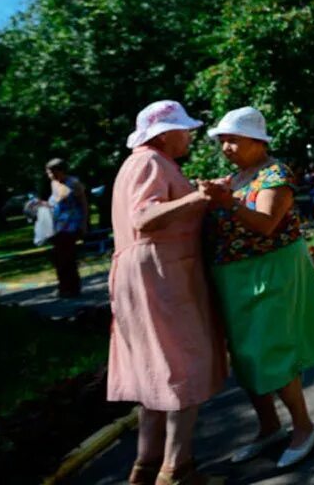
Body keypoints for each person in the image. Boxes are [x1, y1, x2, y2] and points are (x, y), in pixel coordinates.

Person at [202, 107, 314, 470]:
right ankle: (269, 427)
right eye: (222, 140)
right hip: (235, 275)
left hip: (270, 269)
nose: (225, 147)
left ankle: (304, 428)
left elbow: (266, 224)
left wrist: (225, 203)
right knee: (246, 354)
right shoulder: (236, 177)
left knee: (270, 347)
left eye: (233, 139)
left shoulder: (275, 174)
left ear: (258, 142)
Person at [107, 100, 228, 485]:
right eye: (184, 129)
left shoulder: (138, 163)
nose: (189, 135)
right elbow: (145, 217)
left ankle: (146, 466)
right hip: (161, 276)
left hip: (144, 274)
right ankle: (177, 469)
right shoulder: (150, 163)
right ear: (165, 134)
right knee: (182, 366)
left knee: (155, 373)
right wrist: (200, 196)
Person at [45, 158, 89, 298]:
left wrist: (83, 224)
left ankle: (72, 287)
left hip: (71, 225)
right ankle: (63, 286)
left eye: (51, 172)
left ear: (59, 170)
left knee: (67, 257)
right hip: (57, 226)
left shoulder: (74, 183)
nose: (49, 175)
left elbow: (83, 204)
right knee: (58, 258)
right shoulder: (54, 184)